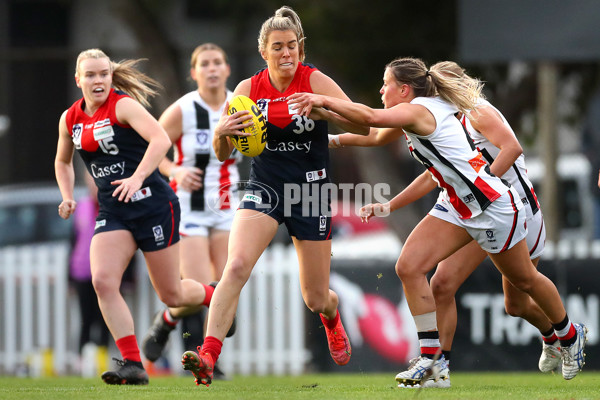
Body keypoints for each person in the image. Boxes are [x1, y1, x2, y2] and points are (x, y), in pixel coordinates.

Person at [287, 57, 587, 386]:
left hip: (493, 206)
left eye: (385, 83)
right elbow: (373, 135)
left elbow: (371, 117)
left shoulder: (418, 110)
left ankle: (569, 335)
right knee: (410, 267)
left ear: (404, 89)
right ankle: (432, 361)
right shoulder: (422, 110)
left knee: (525, 283)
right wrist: (326, 136)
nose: (381, 89)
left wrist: (321, 98)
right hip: (459, 206)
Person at [179, 6, 367, 387]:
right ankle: (208, 355)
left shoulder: (314, 80)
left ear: (301, 48)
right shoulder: (248, 89)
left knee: (315, 297)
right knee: (234, 268)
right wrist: (222, 132)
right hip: (264, 189)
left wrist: (323, 106)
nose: (287, 54)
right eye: (278, 47)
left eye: (292, 46)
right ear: (263, 52)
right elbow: (223, 153)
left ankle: (331, 317)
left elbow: (362, 124)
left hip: (310, 191)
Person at [55, 48, 218, 385]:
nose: (98, 80)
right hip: (115, 212)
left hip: (154, 206)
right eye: (90, 75)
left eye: (103, 73)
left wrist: (137, 176)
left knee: (171, 296)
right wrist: (68, 196)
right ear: (78, 79)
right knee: (102, 280)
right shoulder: (70, 118)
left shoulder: (122, 105)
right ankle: (132, 364)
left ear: (111, 77)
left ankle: (215, 296)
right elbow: (62, 161)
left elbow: (160, 140)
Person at [141, 43, 238, 376]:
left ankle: (168, 320)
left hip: (227, 206)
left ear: (227, 69)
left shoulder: (241, 107)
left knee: (227, 284)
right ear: (194, 73)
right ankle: (206, 360)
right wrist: (176, 171)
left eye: (217, 63)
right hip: (190, 208)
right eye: (204, 64)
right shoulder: (183, 109)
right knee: (199, 290)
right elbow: (154, 151)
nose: (212, 69)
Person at [69, 170, 110, 368]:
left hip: (107, 271)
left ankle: (102, 356)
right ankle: (81, 358)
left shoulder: (111, 206)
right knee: (86, 318)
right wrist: (70, 278)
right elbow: (73, 242)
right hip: (82, 272)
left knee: (105, 318)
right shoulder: (82, 206)